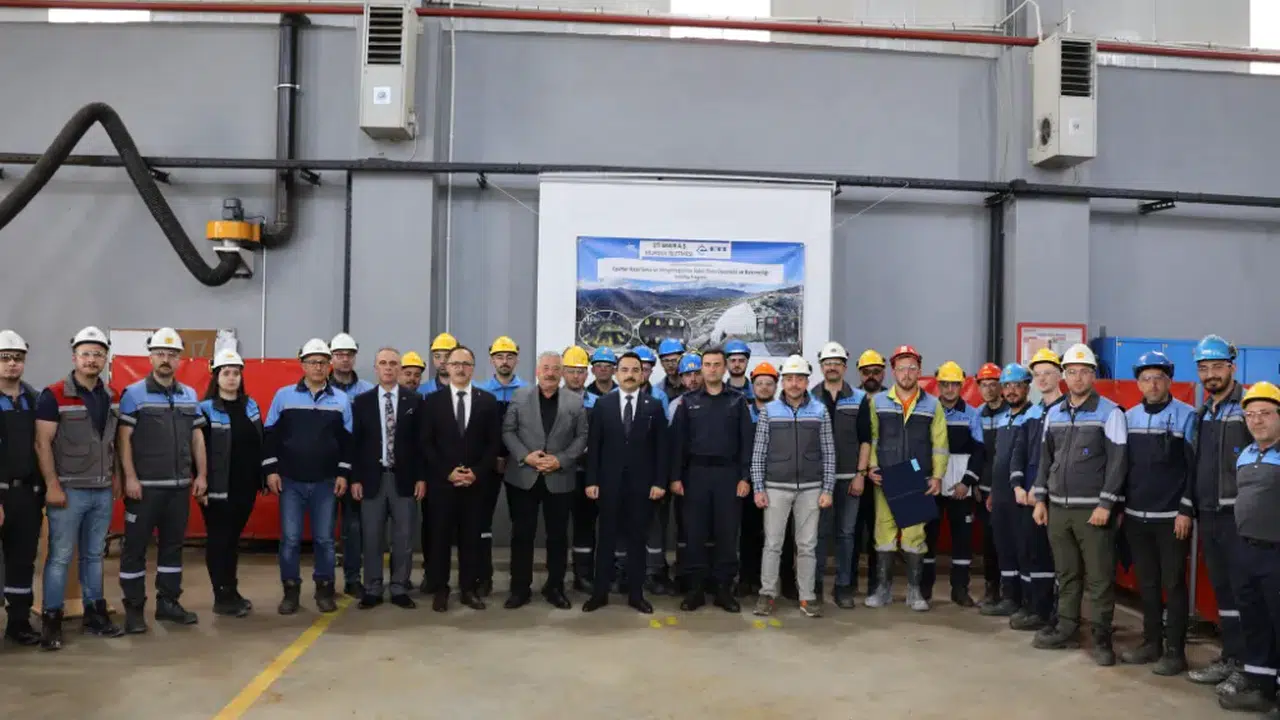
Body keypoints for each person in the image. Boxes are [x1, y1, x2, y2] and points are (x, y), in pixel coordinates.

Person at [1031, 343, 1127, 666]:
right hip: (1058, 509)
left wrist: (1106, 504)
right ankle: (1066, 627)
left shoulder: (1110, 413)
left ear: (1093, 375)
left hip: (1093, 512)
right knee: (1067, 574)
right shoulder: (1054, 414)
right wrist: (1040, 499)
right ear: (1065, 376)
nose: (1077, 378)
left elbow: (1118, 463)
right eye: (1071, 372)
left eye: (1084, 372)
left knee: (1099, 578)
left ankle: (1101, 639)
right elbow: (1045, 460)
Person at [35, 326, 125, 649]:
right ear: (74, 357)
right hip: (68, 490)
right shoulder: (54, 395)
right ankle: (52, 619)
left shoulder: (113, 396)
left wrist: (117, 475)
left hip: (101, 490)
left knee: (94, 556)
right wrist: (52, 485)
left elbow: (114, 441)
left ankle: (95, 614)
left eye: (98, 354)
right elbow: (42, 443)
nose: (91, 359)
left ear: (105, 358)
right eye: (85, 353)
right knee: (60, 556)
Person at [117, 328, 207, 631]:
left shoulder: (189, 395)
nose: (166, 359)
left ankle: (168, 603)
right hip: (144, 489)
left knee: (172, 547)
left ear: (179, 359)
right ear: (151, 357)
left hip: (178, 489)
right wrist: (130, 477)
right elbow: (124, 439)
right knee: (135, 549)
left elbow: (197, 438)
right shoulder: (133, 394)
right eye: (160, 353)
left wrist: (201, 474)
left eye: (171, 354)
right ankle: (134, 609)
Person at [263, 338, 353, 615]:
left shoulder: (341, 400)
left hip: (326, 482)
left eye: (323, 362)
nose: (318, 367)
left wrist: (343, 473)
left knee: (325, 540)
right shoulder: (283, 396)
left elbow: (348, 441)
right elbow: (270, 435)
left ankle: (324, 591)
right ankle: (290, 592)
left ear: (329, 366)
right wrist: (270, 470)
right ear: (302, 365)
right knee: (290, 540)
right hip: (290, 482)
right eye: (312, 362)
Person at [1119, 351, 1195, 676]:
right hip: (1136, 516)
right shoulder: (1129, 418)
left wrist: (1186, 509)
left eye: (1159, 378)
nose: (1152, 384)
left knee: (1173, 583)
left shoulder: (1187, 417)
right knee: (1147, 583)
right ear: (1138, 383)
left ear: (1169, 381)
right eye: (1146, 378)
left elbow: (1194, 469)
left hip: (1172, 519)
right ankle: (1151, 643)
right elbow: (1122, 468)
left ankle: (1175, 652)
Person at [1186, 334, 1251, 694]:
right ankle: (1232, 657)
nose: (1210, 374)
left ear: (1231, 368)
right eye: (1204, 368)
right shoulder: (1202, 414)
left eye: (1217, 367)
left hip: (1241, 517)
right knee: (1224, 592)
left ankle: (1251, 667)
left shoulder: (1250, 407)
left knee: (1246, 593)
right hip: (1209, 514)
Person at [502, 350, 589, 610]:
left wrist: (561, 460)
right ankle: (520, 589)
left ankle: (555, 587)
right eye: (546, 368)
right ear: (537, 371)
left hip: (559, 477)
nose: (550, 373)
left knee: (558, 537)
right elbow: (508, 431)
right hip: (523, 478)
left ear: (562, 373)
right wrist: (525, 456)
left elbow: (582, 437)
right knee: (522, 535)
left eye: (555, 368)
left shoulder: (575, 402)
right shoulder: (520, 397)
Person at [582, 351, 668, 614]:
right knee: (606, 539)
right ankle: (599, 594)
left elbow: (662, 449)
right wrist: (591, 480)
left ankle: (636, 595)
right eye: (625, 370)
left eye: (635, 370)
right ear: (617, 373)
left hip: (642, 487)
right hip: (609, 484)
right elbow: (594, 446)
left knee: (637, 541)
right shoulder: (603, 405)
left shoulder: (654, 406)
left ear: (643, 374)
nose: (630, 375)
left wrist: (659, 482)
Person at [863, 345, 947, 612]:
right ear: (893, 371)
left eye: (912, 368)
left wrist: (937, 475)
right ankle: (883, 590)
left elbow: (940, 444)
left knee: (914, 537)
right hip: (886, 476)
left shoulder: (932, 405)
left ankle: (914, 591)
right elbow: (872, 437)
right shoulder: (878, 402)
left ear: (919, 371)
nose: (907, 373)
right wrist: (871, 467)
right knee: (884, 535)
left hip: (915, 476)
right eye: (901, 368)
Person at [670, 347, 754, 613]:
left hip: (728, 476)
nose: (712, 369)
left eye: (717, 364)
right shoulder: (687, 402)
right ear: (702, 368)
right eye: (707, 364)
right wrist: (675, 477)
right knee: (694, 534)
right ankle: (694, 591)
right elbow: (678, 443)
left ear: (724, 368)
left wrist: (745, 477)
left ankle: (723, 591)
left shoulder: (738, 401)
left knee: (726, 535)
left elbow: (747, 443)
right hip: (695, 475)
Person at [751, 355, 836, 618]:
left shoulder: (820, 411)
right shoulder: (769, 411)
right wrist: (758, 487)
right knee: (772, 544)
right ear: (783, 382)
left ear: (807, 382)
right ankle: (767, 594)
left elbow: (829, 452)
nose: (794, 383)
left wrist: (827, 489)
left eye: (799, 378)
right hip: (775, 487)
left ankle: (807, 597)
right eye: (789, 379)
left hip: (811, 489)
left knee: (807, 545)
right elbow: (759, 452)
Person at [420, 345, 501, 612]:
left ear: (473, 368)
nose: (460, 369)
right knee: (440, 539)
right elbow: (427, 443)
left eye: (466, 364)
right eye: (455, 364)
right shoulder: (432, 402)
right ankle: (441, 589)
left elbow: (493, 443)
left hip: (475, 484)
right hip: (443, 484)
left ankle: (468, 589)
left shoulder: (487, 401)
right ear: (447, 367)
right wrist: (447, 472)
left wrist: (476, 472)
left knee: (471, 539)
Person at [1218, 381, 1280, 713]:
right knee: (1255, 621)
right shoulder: (1246, 453)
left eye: (1265, 413)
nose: (1257, 421)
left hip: (1276, 553)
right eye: (1251, 415)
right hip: (1247, 551)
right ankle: (1260, 687)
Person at [350, 348, 425, 611]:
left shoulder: (415, 401)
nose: (389, 367)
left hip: (404, 479)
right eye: (383, 363)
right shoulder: (362, 402)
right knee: (372, 538)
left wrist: (421, 477)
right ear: (376, 368)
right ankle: (372, 589)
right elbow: (355, 443)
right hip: (372, 479)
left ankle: (399, 588)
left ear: (400, 368)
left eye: (394, 363)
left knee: (403, 538)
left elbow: (421, 444)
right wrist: (355, 478)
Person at [198, 348, 264, 618]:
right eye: (226, 373)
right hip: (217, 489)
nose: (231, 378)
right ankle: (221, 596)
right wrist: (200, 481)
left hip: (245, 487)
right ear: (216, 377)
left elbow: (259, 441)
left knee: (233, 540)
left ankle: (231, 590)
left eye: (236, 373)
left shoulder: (251, 405)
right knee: (219, 540)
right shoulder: (205, 409)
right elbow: (197, 449)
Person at [1005, 348, 1064, 631]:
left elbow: (1056, 459)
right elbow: (1019, 451)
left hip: (1051, 498)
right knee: (1031, 553)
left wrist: (1040, 492)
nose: (1042, 379)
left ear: (1059, 375)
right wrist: (1018, 485)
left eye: (1047, 373)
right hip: (1027, 497)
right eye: (1038, 374)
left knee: (1049, 556)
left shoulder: (1065, 411)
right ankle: (1033, 607)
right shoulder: (1033, 413)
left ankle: (1048, 612)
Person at [922, 361, 984, 607]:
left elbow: (979, 451)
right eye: (945, 384)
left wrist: (967, 482)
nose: (949, 389)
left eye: (954, 384)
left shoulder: (972, 414)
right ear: (938, 385)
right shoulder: (928, 411)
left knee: (962, 540)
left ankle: (960, 590)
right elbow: (917, 448)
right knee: (928, 538)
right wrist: (922, 477)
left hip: (961, 487)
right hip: (931, 486)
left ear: (962, 385)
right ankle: (923, 591)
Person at [811, 341, 868, 609]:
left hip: (848, 480)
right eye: (827, 363)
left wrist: (860, 474)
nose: (832, 367)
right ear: (821, 366)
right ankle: (815, 586)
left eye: (836, 363)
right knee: (818, 535)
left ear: (845, 367)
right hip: (818, 481)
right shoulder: (810, 396)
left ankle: (843, 587)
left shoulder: (859, 398)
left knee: (846, 535)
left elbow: (866, 440)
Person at [646, 351, 704, 596]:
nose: (693, 379)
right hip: (675, 475)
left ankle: (691, 574)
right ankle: (660, 572)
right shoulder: (673, 405)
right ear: (680, 377)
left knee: (694, 526)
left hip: (701, 474)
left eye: (697, 373)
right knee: (663, 525)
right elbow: (667, 444)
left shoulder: (719, 400)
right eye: (687, 375)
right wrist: (670, 477)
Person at [0, 330, 43, 646]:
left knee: (22, 560)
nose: (12, 363)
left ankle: (18, 622)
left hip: (27, 495)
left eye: (17, 358)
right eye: (5, 358)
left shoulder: (34, 399)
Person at [476, 336, 528, 596]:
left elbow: (530, 431)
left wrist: (515, 455)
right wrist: (494, 457)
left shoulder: (528, 391)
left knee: (521, 524)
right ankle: (483, 577)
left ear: (517, 359)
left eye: (509, 357)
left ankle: (519, 583)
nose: (504, 361)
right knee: (482, 523)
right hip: (488, 465)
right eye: (499, 357)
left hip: (520, 464)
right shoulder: (481, 392)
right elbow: (480, 432)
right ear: (491, 360)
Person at [982, 363, 1034, 620]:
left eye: (1017, 385)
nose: (1012, 390)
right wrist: (993, 491)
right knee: (1003, 547)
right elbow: (998, 459)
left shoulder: (1033, 417)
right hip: (1001, 495)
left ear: (1027, 388)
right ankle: (1009, 598)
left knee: (1023, 547)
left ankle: (1027, 602)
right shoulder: (1004, 419)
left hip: (1021, 495)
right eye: (1008, 386)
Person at [328, 332, 375, 598]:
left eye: (349, 355)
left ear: (355, 357)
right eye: (339, 355)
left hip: (356, 468)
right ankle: (325, 582)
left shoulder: (367, 391)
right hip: (325, 468)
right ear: (331, 358)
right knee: (325, 530)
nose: (344, 359)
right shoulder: (321, 387)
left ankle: (353, 579)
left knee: (354, 527)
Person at [737, 362, 779, 598]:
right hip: (750, 481)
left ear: (776, 386)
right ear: (752, 386)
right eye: (759, 383)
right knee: (748, 532)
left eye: (769, 383)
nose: (764, 387)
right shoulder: (743, 411)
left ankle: (783, 580)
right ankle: (747, 579)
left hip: (776, 481)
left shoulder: (782, 411)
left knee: (779, 535)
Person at [562, 345, 602, 593]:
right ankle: (556, 577)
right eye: (571, 371)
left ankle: (583, 574)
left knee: (585, 526)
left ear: (587, 374)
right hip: (559, 474)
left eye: (580, 371)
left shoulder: (599, 403)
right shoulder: (552, 399)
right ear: (563, 372)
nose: (576, 376)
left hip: (587, 475)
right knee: (557, 527)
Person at [852, 348, 887, 598]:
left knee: (880, 533)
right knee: (852, 533)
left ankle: (877, 584)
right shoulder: (852, 399)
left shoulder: (893, 400)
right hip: (856, 476)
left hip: (884, 477)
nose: (871, 376)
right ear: (859, 373)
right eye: (866, 372)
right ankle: (849, 582)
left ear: (883, 373)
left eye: (876, 371)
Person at [973, 361, 1006, 609]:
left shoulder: (1011, 414)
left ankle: (1010, 591)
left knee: (1006, 542)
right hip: (982, 491)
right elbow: (976, 453)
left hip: (1007, 490)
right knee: (988, 542)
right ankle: (991, 590)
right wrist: (975, 482)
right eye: (984, 385)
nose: (988, 389)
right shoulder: (977, 415)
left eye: (993, 384)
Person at [420, 332, 458, 397]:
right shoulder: (422, 392)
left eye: (447, 356)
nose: (442, 361)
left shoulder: (472, 390)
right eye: (437, 356)